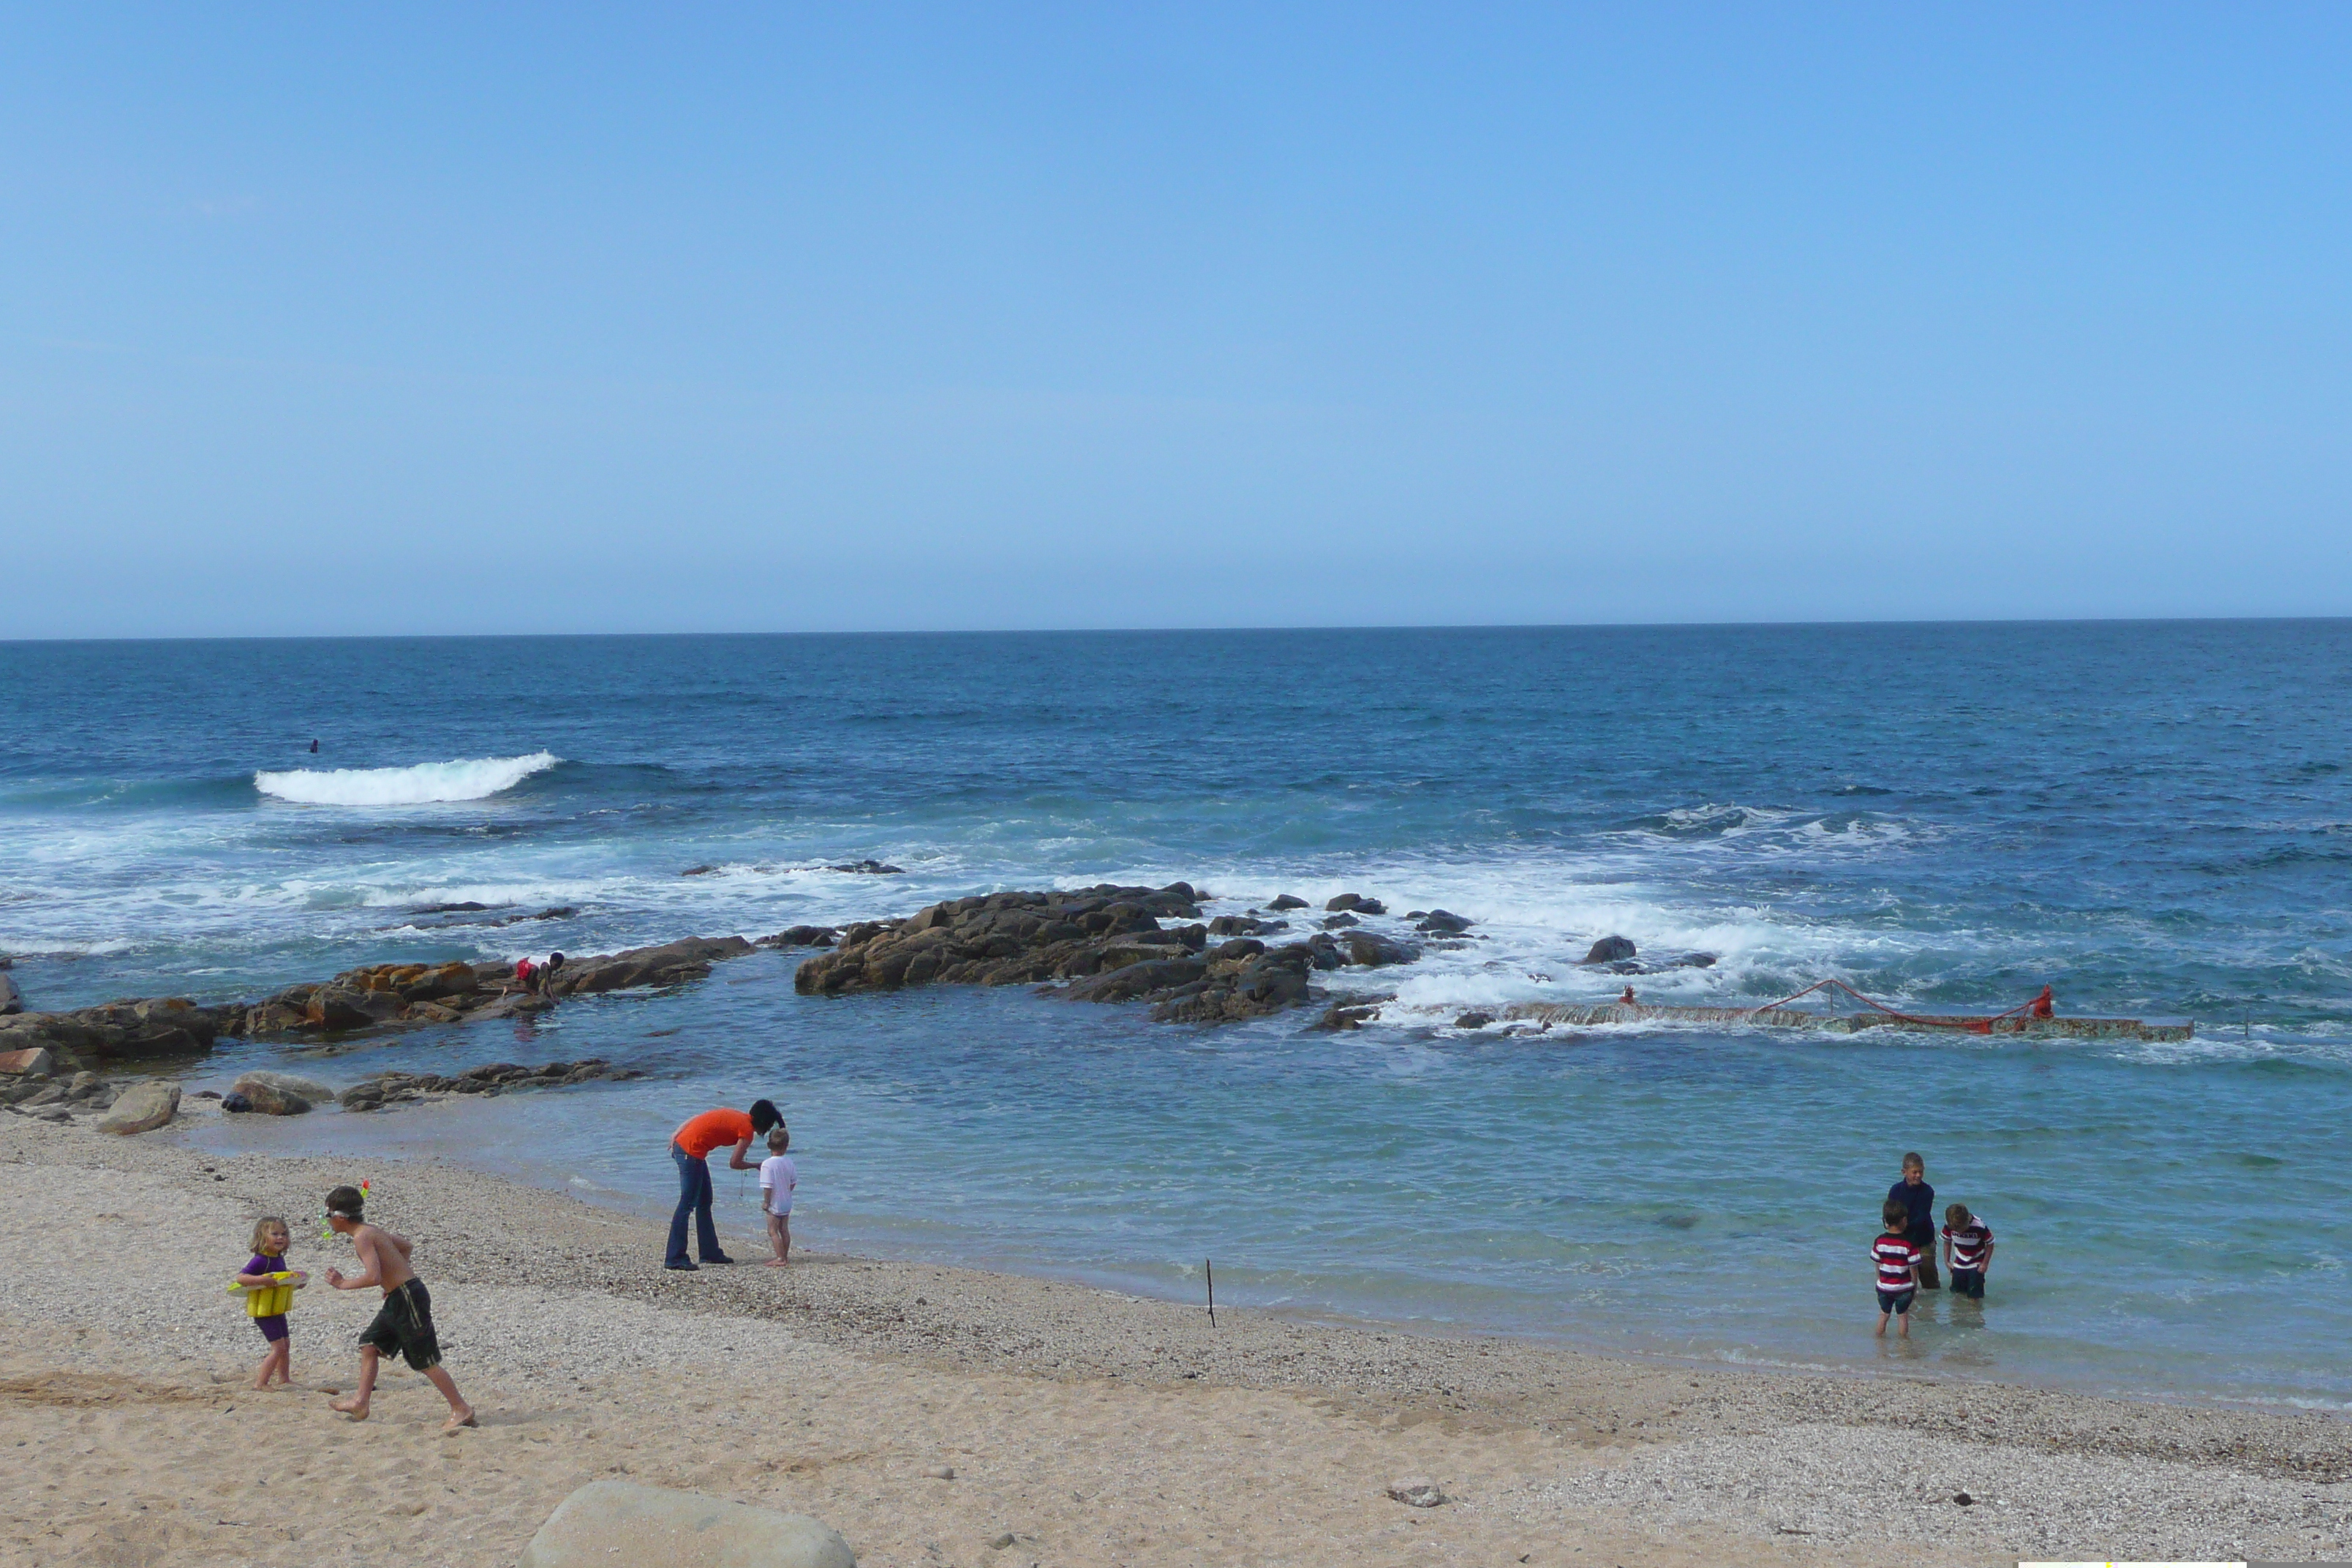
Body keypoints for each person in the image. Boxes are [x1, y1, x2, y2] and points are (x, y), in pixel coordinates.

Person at [321, 1185, 476, 1432]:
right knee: (370, 1345)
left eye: (326, 1216)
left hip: (408, 1298)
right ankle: (361, 1402)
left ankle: (461, 1408)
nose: (327, 1222)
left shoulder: (362, 1237)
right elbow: (406, 1247)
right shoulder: (371, 1230)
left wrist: (342, 1284)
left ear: (339, 1218)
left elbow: (373, 1276)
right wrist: (395, 1279)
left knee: (423, 1360)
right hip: (400, 1295)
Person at [666, 1100, 780, 1270]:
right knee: (687, 1204)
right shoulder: (747, 1131)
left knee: (704, 1202)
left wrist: (677, 1132)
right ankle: (674, 1257)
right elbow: (734, 1163)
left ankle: (709, 1252)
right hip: (690, 1152)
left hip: (689, 1148)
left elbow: (700, 1117)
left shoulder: (741, 1117)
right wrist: (756, 1165)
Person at [234, 1216, 303, 1391]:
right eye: (275, 1234)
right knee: (278, 1347)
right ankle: (260, 1383)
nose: (280, 1238)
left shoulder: (278, 1258)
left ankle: (284, 1379)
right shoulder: (261, 1260)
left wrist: (297, 1282)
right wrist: (261, 1280)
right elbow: (241, 1278)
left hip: (277, 1308)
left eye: (283, 1234)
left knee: (286, 1344)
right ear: (262, 1238)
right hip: (264, 1311)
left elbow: (281, 1279)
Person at [1889, 1153, 1940, 1290]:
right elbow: (1891, 1212)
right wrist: (1891, 1228)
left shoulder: (1927, 1191)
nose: (1918, 1175)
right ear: (1904, 1172)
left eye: (1921, 1172)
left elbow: (1922, 1216)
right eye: (1915, 1172)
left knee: (1929, 1280)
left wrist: (1902, 1226)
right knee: (1904, 1279)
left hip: (1924, 1239)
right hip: (1903, 1239)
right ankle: (1912, 1307)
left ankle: (1932, 1309)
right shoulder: (1895, 1190)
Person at [1873, 1197, 1921, 1338]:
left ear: (1885, 1221)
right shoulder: (1909, 1244)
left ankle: (1879, 1342)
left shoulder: (1880, 1241)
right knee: (1902, 1316)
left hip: (1884, 1286)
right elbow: (1914, 1268)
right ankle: (1903, 1344)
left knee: (1884, 1315)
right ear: (1904, 1220)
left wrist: (1880, 1280)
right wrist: (1914, 1286)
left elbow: (1878, 1264)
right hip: (1903, 1288)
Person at [758, 1124, 796, 1267]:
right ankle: (784, 1255)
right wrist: (786, 1192)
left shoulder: (767, 1164)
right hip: (787, 1201)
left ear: (769, 1145)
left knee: (773, 1230)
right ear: (786, 1146)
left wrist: (766, 1202)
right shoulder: (789, 1162)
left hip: (775, 1202)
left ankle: (780, 1258)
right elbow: (793, 1182)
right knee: (784, 1229)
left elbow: (768, 1186)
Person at [1942, 1202, 1995, 1300]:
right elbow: (1947, 1242)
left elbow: (1990, 1243)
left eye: (1961, 1229)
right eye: (1956, 1230)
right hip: (1959, 1263)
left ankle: (1975, 1313)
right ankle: (1959, 1313)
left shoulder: (1979, 1226)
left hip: (1976, 1264)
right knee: (1957, 1293)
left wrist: (1985, 1264)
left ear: (1967, 1220)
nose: (1959, 1232)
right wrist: (1947, 1261)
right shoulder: (1949, 1226)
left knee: (1974, 1294)